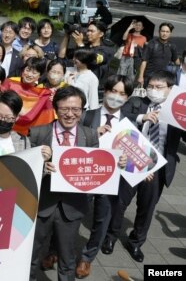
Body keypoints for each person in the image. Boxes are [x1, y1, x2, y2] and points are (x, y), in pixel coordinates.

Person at [103, 71, 184, 264]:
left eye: (159, 87)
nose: (153, 91)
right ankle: (110, 237)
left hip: (158, 167)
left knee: (147, 208)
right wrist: (142, 118)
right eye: (151, 87)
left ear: (170, 89)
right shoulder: (137, 103)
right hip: (132, 160)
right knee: (119, 203)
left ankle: (136, 242)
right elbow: (121, 114)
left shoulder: (176, 111)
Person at [29, 86, 100, 281]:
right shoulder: (37, 134)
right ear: (55, 109)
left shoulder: (90, 135)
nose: (70, 114)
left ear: (83, 110)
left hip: (72, 207)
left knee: (68, 260)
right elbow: (26, 172)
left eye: (76, 109)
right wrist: (42, 167)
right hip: (42, 204)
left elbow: (95, 171)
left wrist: (115, 165)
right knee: (31, 256)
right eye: (64, 109)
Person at [74, 75, 133, 278]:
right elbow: (72, 144)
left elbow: (135, 154)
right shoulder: (87, 116)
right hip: (86, 174)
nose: (116, 97)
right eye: (113, 91)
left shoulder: (129, 122)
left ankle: (87, 258)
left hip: (112, 178)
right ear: (105, 91)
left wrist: (130, 164)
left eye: (122, 93)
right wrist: (91, 135)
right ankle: (57, 249)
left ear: (128, 98)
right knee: (72, 215)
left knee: (102, 219)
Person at [137, 22, 179, 87]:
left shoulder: (172, 46)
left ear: (170, 33)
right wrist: (140, 76)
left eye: (167, 32)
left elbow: (177, 61)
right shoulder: (151, 44)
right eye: (163, 31)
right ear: (159, 31)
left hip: (164, 78)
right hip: (149, 77)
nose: (164, 34)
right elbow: (144, 61)